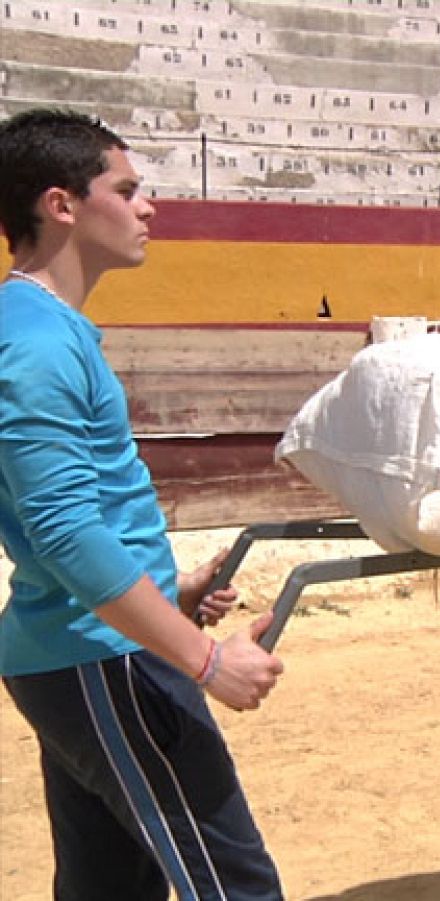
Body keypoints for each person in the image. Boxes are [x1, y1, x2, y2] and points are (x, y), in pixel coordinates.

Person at [0, 108, 285, 899]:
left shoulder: (38, 327)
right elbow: (62, 532)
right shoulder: (39, 342)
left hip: (82, 650)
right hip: (104, 659)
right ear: (62, 205)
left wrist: (170, 592)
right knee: (234, 886)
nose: (148, 206)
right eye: (126, 190)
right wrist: (207, 659)